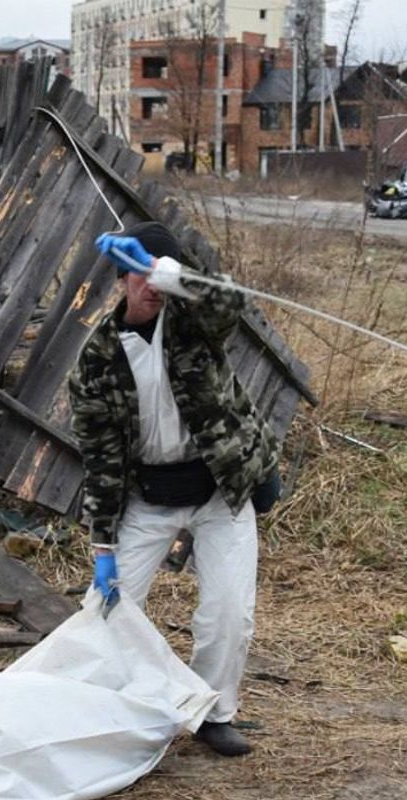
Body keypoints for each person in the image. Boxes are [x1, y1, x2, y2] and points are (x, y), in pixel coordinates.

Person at [68, 222, 282, 758]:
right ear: (122, 281)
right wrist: (102, 548)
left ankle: (214, 712)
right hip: (148, 495)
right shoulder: (97, 359)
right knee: (107, 608)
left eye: (158, 274)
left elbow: (230, 302)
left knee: (229, 613)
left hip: (218, 490)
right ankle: (100, 706)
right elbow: (99, 456)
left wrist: (171, 272)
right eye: (139, 275)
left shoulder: (193, 322)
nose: (150, 286)